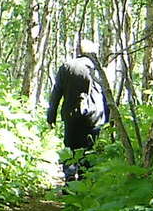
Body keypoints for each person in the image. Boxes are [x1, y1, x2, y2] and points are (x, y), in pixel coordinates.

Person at [47, 38, 110, 182]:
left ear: (78, 51)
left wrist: (51, 116)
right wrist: (108, 118)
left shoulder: (67, 67)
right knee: (89, 151)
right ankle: (84, 183)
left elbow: (56, 93)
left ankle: (69, 181)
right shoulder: (99, 70)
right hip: (95, 117)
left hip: (72, 116)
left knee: (71, 149)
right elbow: (107, 96)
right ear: (94, 52)